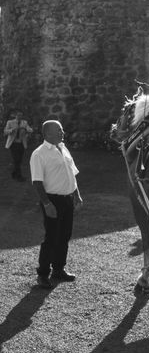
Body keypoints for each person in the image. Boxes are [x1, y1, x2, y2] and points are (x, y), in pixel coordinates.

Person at [30, 120, 82, 289]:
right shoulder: (39, 154)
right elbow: (37, 183)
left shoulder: (63, 148)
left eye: (61, 129)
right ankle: (43, 274)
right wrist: (47, 204)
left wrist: (77, 195)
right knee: (51, 237)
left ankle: (58, 269)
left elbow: (72, 173)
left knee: (65, 235)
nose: (62, 132)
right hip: (52, 200)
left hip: (67, 198)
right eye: (59, 130)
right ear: (47, 134)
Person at [4, 109, 33, 181]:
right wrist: (12, 130)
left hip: (21, 144)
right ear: (15, 115)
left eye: (21, 115)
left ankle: (14, 173)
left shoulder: (24, 123)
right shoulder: (10, 122)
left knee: (19, 160)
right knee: (16, 159)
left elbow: (30, 130)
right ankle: (19, 176)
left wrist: (25, 129)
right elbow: (5, 131)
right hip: (13, 144)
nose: (20, 116)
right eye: (18, 115)